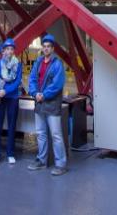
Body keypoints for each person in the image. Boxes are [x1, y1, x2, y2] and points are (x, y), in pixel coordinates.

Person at [27, 34, 67, 176]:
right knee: (41, 134)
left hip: (51, 104)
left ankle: (60, 164)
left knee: (56, 135)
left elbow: (57, 84)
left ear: (52, 48)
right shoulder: (38, 62)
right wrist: (34, 92)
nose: (46, 49)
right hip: (39, 104)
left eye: (48, 46)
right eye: (44, 46)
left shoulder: (57, 64)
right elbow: (32, 79)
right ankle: (42, 161)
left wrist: (43, 95)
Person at [0, 37, 22, 166]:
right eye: (7, 49)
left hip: (12, 98)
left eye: (11, 49)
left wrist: (6, 91)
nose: (9, 51)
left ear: (14, 51)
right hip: (0, 98)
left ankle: (10, 153)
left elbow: (17, 81)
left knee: (11, 127)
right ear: (3, 50)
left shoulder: (18, 64)